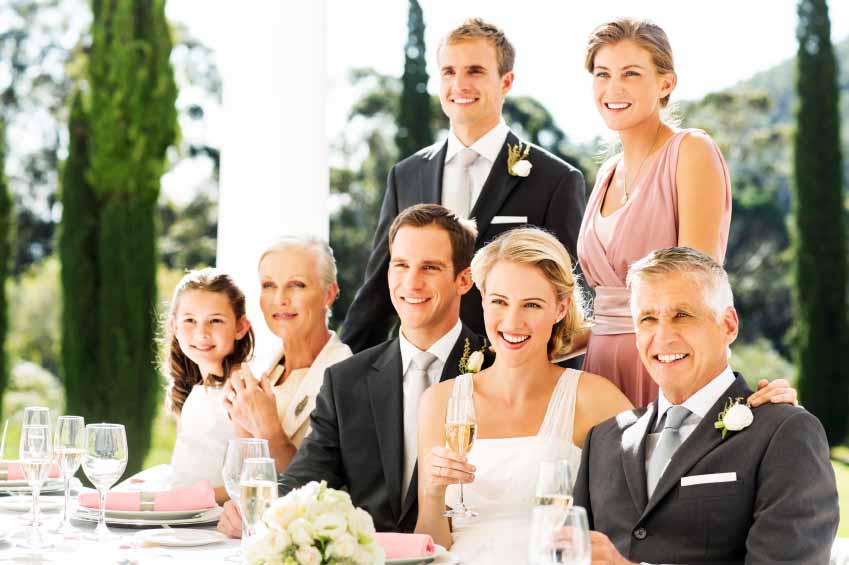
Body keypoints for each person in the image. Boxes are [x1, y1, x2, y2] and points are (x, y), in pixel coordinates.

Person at [415, 232, 798, 564]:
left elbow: (671, 472)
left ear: (560, 308)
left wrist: (751, 411)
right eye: (499, 301)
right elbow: (432, 543)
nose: (512, 321)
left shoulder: (593, 400)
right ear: (482, 300)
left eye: (531, 304)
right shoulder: (439, 403)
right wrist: (432, 494)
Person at [216, 204, 489, 537]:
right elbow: (305, 483)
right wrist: (257, 508)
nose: (411, 282)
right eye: (400, 265)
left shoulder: (493, 366)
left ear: (464, 279)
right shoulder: (346, 380)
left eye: (429, 267)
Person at [573, 247, 838, 565]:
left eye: (681, 315)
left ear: (728, 325)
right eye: (647, 318)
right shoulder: (603, 440)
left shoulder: (784, 432)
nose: (662, 335)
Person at [341, 17, 586, 353]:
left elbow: (567, 299)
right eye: (448, 72)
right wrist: (334, 378)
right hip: (421, 372)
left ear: (506, 81)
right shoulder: (405, 175)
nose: (459, 84)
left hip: (511, 374)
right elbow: (379, 290)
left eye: (475, 71)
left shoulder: (556, 180)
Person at [576, 17, 732, 407]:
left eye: (630, 73)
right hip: (597, 370)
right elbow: (605, 306)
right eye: (602, 74)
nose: (613, 88)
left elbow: (697, 284)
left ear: (665, 83)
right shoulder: (606, 175)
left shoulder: (691, 151)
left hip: (667, 361)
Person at [223, 237, 352, 473]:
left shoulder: (348, 376)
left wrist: (268, 430)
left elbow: (320, 489)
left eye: (297, 285)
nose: (280, 299)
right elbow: (244, 478)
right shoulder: (260, 371)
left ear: (328, 295)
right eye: (269, 285)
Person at [164, 268, 253, 503]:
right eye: (190, 320)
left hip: (212, 522)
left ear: (240, 327)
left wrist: (186, 500)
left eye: (215, 321)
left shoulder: (240, 389)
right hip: (180, 518)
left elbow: (246, 481)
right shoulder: (193, 389)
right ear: (174, 325)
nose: (201, 333)